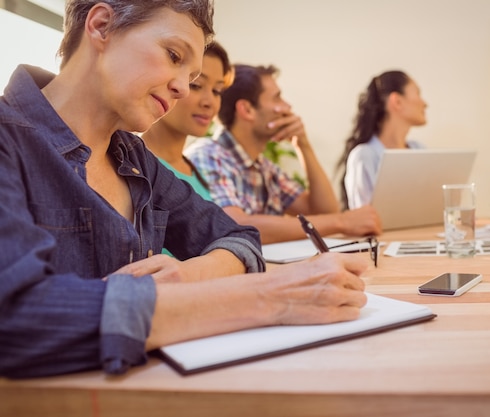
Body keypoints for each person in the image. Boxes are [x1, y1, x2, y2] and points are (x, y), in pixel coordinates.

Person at [0, 0, 368, 379]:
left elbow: (236, 234)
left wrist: (191, 276)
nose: (180, 89)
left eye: (190, 77)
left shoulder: (133, 157)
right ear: (101, 25)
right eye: (173, 55)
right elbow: (15, 318)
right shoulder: (7, 140)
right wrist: (269, 296)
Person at [184, 64, 382, 244]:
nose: (287, 107)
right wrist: (343, 222)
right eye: (277, 98)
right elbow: (236, 224)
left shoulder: (264, 167)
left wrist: (303, 145)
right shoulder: (207, 156)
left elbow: (324, 212)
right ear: (247, 110)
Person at [142, 41, 233, 202]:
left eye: (216, 91)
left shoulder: (199, 170)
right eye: (196, 85)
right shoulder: (137, 167)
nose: (209, 102)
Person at [336, 70, 428, 210]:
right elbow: (363, 222)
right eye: (418, 93)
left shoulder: (419, 150)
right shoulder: (364, 156)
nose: (425, 103)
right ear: (397, 101)